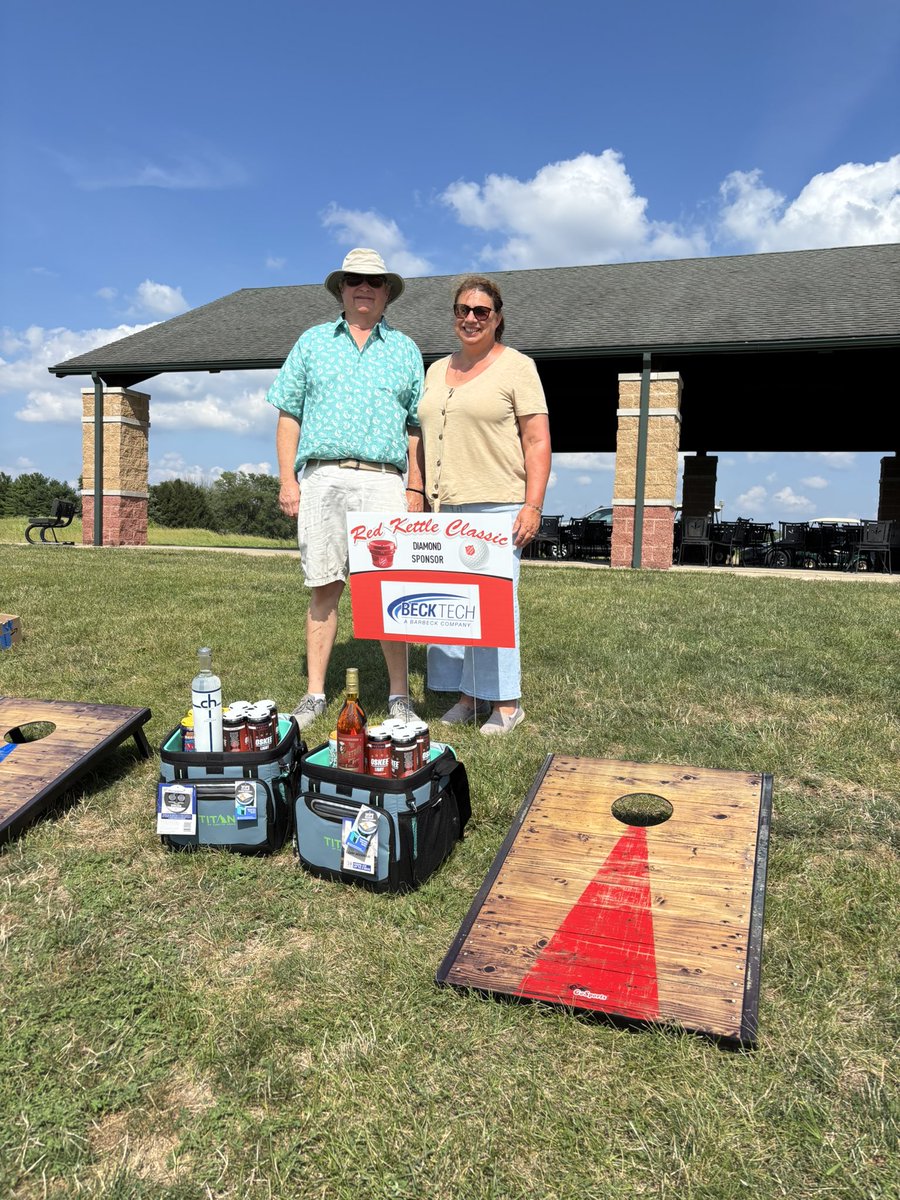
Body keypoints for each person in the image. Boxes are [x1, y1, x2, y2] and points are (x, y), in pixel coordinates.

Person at [268, 248, 426, 731]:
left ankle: (399, 695)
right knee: (324, 585)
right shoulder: (312, 343)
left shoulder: (405, 350)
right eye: (354, 280)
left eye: (374, 283)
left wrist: (415, 487)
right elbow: (288, 413)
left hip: (384, 480)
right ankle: (315, 693)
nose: (364, 288)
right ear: (341, 289)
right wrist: (288, 479)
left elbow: (416, 425)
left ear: (386, 294)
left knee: (388, 588)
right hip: (323, 477)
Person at [417, 275, 551, 735]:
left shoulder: (518, 367)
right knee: (455, 606)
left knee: (494, 608)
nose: (470, 318)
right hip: (444, 508)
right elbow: (420, 436)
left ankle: (508, 704)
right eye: (462, 310)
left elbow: (536, 440)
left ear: (497, 318)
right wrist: (417, 493)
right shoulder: (435, 371)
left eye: (481, 312)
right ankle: (470, 696)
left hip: (497, 505)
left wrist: (532, 505)